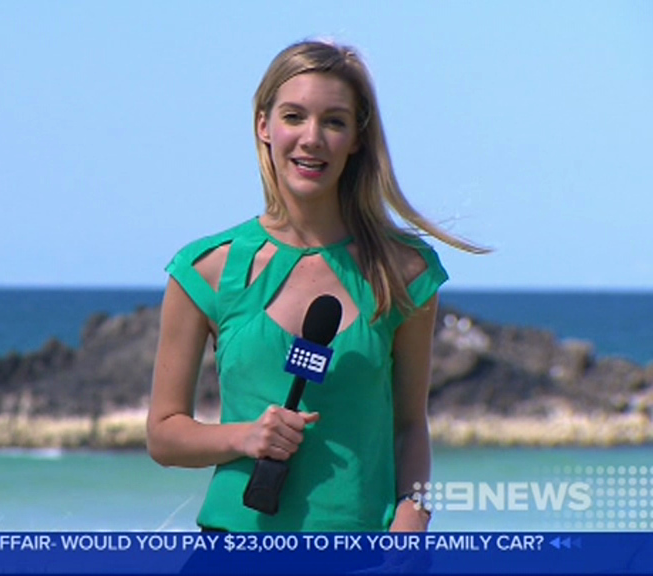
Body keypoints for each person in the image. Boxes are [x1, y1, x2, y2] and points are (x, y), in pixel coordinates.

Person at [146, 39, 487, 532]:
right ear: (264, 126)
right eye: (293, 117)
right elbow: (163, 436)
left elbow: (410, 425)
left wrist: (413, 514)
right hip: (233, 550)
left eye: (334, 121)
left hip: (365, 554)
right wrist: (244, 437)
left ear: (356, 138)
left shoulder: (404, 271)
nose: (312, 138)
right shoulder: (207, 270)